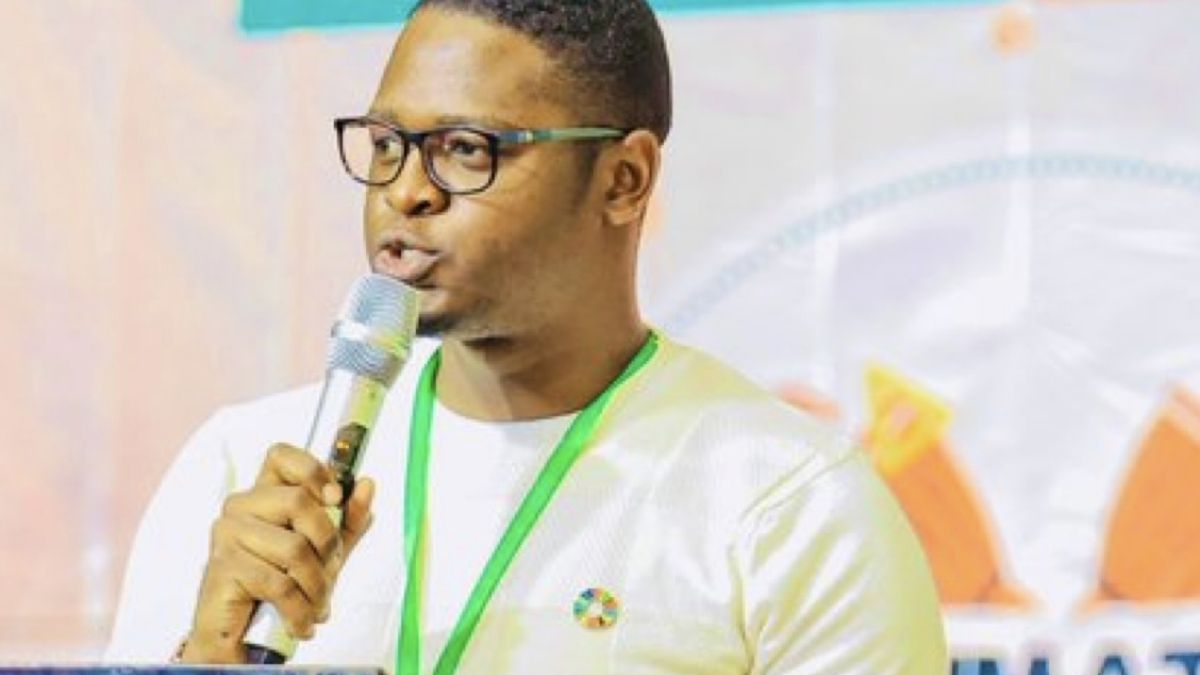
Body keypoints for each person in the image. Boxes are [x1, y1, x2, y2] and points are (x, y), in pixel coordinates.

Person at [106, 0, 947, 672]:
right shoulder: (241, 467)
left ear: (624, 178)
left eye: (464, 151)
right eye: (389, 144)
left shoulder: (787, 505)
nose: (406, 191)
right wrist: (210, 657)